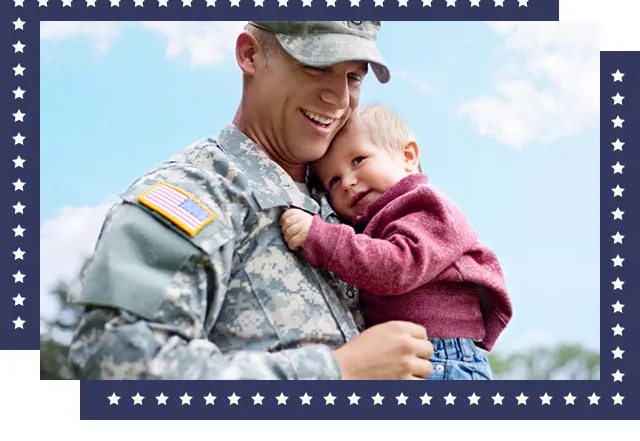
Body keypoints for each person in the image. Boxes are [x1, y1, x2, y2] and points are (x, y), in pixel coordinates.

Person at [67, 21, 435, 380]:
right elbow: (115, 361)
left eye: (353, 77)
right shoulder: (194, 191)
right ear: (250, 54)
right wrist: (339, 371)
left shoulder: (352, 201)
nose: (339, 97)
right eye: (317, 65)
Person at [279, 104, 513, 380]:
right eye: (333, 180)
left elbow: (396, 267)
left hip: (440, 359)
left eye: (358, 160)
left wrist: (320, 237)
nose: (348, 182)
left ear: (408, 156)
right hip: (405, 360)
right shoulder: (369, 223)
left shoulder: (425, 206)